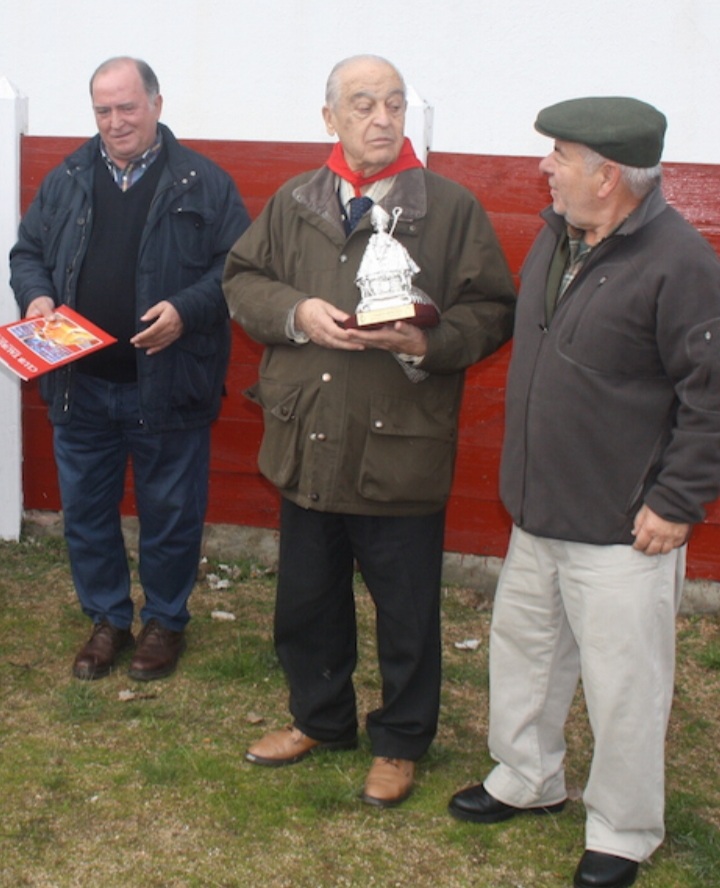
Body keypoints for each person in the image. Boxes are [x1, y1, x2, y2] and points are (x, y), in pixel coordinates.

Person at [222, 54, 515, 807]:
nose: (382, 119)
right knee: (307, 599)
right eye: (363, 105)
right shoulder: (295, 201)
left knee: (407, 609)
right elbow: (242, 279)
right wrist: (297, 313)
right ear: (331, 119)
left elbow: (492, 309)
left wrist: (429, 343)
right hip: (309, 436)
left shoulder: (449, 209)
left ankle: (400, 741)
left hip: (398, 444)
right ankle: (319, 719)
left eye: (393, 104)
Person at [447, 97, 720, 888]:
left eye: (560, 155)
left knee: (625, 685)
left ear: (607, 177)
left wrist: (676, 501)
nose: (546, 166)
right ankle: (527, 778)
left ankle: (625, 829)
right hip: (538, 510)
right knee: (526, 655)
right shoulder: (557, 237)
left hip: (623, 528)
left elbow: (713, 396)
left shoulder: (680, 263)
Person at [10, 57, 250, 682]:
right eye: (103, 110)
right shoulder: (67, 176)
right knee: (86, 512)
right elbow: (28, 251)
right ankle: (109, 620)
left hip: (167, 384)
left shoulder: (206, 182)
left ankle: (165, 623)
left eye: (127, 107)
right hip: (80, 384)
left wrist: (187, 309)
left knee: (170, 514)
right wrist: (36, 297)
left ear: (156, 104)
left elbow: (238, 268)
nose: (115, 122)